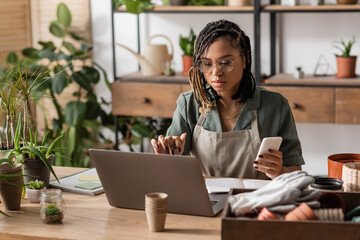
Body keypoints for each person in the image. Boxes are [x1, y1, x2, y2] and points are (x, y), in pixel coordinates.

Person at [151, 19, 304, 180]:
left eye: (225, 62)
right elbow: (169, 176)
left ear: (244, 59)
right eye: (207, 64)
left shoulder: (275, 106)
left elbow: (296, 174)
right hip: (206, 202)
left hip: (259, 202)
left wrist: (279, 172)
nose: (216, 72)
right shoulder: (189, 104)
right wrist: (168, 157)